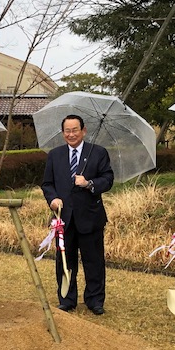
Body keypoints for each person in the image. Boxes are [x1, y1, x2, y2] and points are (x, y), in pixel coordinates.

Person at [41, 114, 114, 315]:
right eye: (67, 131)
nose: (71, 134)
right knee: (65, 260)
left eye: (75, 130)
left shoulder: (98, 153)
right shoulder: (54, 155)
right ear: (63, 133)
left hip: (90, 217)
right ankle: (66, 299)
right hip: (63, 219)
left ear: (84, 131)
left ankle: (95, 300)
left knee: (94, 261)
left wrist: (88, 183)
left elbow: (108, 179)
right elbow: (47, 184)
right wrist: (53, 199)